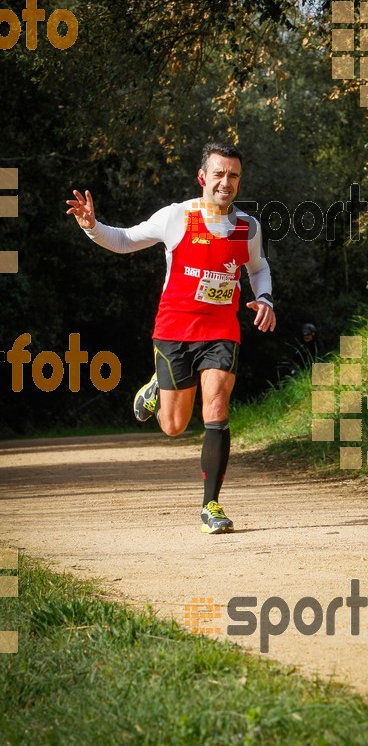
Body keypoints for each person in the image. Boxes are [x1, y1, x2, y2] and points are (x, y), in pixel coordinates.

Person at [66, 142, 275, 534]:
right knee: (174, 426)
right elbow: (125, 240)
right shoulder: (177, 216)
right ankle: (154, 391)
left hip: (220, 330)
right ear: (203, 178)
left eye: (233, 176)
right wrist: (92, 226)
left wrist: (263, 298)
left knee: (215, 405)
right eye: (218, 174)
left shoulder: (248, 226)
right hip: (175, 331)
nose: (225, 183)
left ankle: (211, 505)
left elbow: (258, 269)